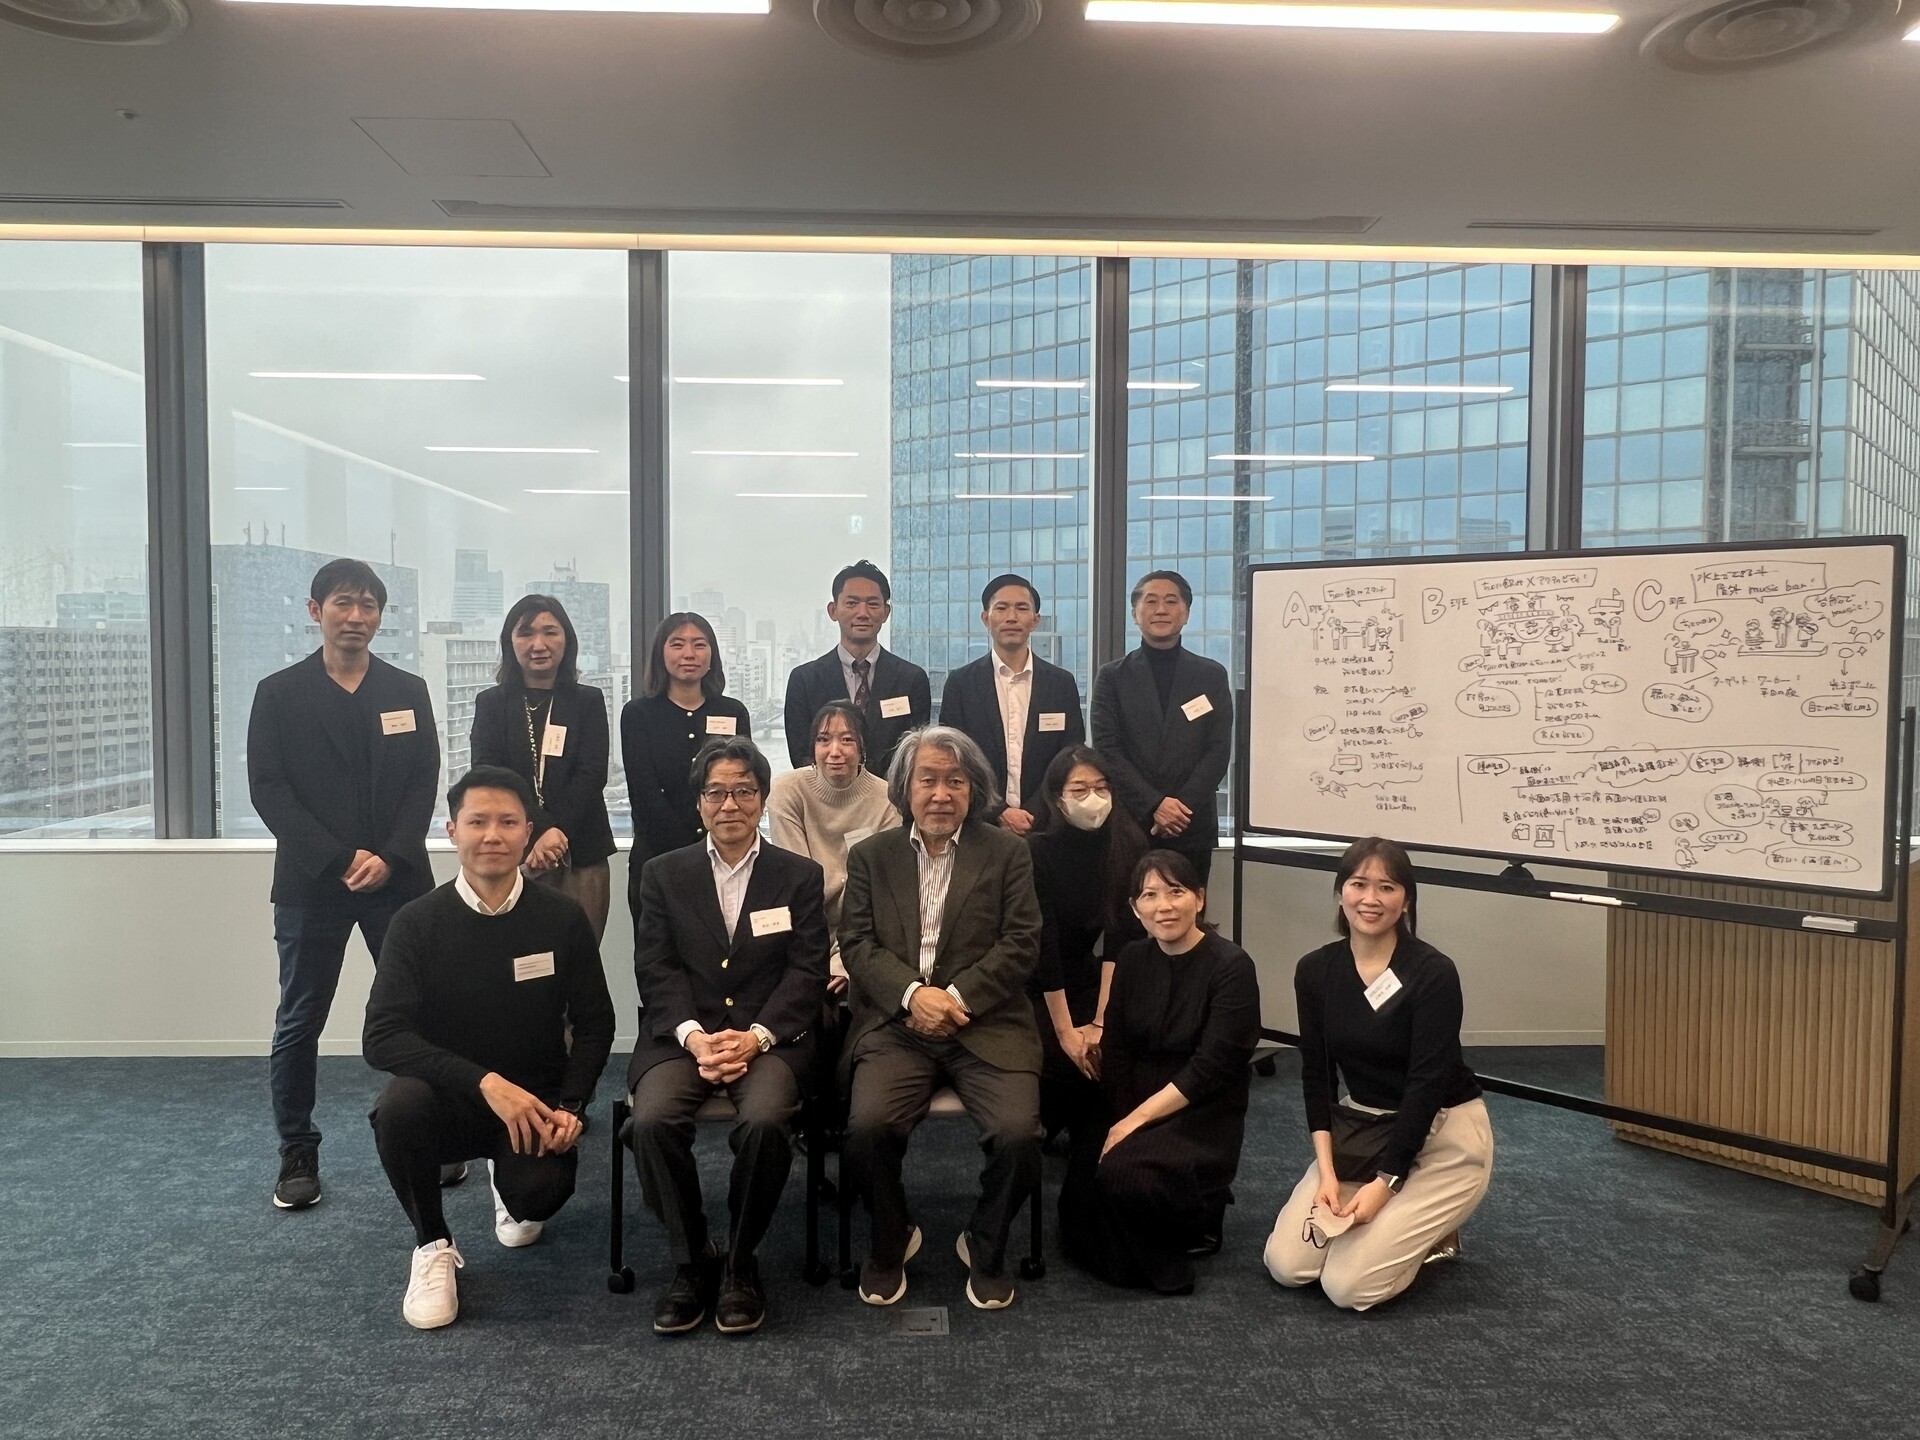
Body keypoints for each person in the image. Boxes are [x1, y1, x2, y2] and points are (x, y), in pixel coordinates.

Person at [362, 765, 615, 1330]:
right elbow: (381, 1036)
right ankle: (432, 1244)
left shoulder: (561, 918)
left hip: (533, 1104)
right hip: (447, 1099)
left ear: (529, 832)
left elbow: (596, 1021)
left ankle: (509, 1183)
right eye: (478, 822)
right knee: (398, 1108)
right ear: (452, 831)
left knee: (536, 1200)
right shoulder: (416, 923)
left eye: (508, 822)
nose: (493, 835)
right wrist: (485, 1083)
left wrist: (572, 1105)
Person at [248, 557, 441, 1212]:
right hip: (313, 882)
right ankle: (297, 1149)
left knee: (423, 1011)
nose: (356, 617)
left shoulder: (406, 689)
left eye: (368, 606)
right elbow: (269, 789)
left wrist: (390, 856)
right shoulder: (279, 693)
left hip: (398, 878)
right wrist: (337, 858)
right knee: (300, 1017)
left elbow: (423, 781)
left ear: (380, 616)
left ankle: (436, 1132)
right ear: (315, 611)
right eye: (343, 604)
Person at [628, 736, 830, 1336]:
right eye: (716, 792)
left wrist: (757, 1036)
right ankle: (694, 1258)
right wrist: (694, 1038)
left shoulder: (798, 875)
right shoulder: (664, 874)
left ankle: (741, 1262)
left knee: (766, 1121)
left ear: (762, 799)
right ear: (699, 803)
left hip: (770, 1037)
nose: (730, 804)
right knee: (650, 1122)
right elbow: (656, 967)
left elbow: (807, 970)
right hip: (682, 1036)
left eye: (744, 790)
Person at [840, 726, 1043, 1312]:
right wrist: (912, 996)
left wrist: (954, 999)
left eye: (955, 781)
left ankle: (985, 1242)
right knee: (866, 1128)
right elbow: (857, 944)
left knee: (1019, 1135)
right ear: (904, 788)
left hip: (988, 1021)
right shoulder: (871, 856)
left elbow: (1022, 942)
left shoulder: (1007, 852)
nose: (940, 793)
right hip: (896, 1025)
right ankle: (890, 1237)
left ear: (974, 789)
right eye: (927, 779)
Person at [1263, 837, 1494, 1312]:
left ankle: (1435, 1231)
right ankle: (1394, 1225)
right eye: (1358, 884)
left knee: (1347, 1286)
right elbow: (1316, 1075)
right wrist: (1327, 1172)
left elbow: (1426, 1085)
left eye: (1387, 887)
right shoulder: (1316, 970)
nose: (1371, 899)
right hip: (1364, 1128)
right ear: (1340, 892)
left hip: (1441, 1132)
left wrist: (1385, 1183)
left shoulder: (1433, 972)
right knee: (1288, 1266)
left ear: (1406, 900)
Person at [1059, 849, 1259, 1295]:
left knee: (1123, 1176)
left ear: (1199, 899)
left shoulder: (1231, 966)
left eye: (1176, 891)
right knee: (1080, 1187)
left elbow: (1209, 1069)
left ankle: (1184, 1233)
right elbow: (1118, 1047)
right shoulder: (1132, 958)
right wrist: (1120, 1113)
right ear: (1135, 908)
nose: (1163, 906)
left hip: (1200, 1107)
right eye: (1149, 895)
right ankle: (1168, 1224)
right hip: (1136, 1095)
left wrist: (1135, 1122)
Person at [470, 594, 615, 942]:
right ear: (510, 642)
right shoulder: (491, 703)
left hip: (581, 851)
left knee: (579, 956)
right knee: (515, 957)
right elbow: (489, 775)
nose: (539, 644)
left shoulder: (588, 700)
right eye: (526, 633)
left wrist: (557, 833)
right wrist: (539, 831)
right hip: (512, 851)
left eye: (550, 632)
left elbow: (592, 773)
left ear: (567, 640)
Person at [1025, 745, 1147, 1146]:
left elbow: (1121, 938)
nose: (1093, 798)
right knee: (1061, 1059)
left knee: (1111, 1051)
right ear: (1056, 796)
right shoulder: (1035, 849)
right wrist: (1066, 1032)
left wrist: (1100, 1021)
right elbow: (1044, 946)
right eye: (1079, 789)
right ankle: (1048, 1129)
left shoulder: (1127, 843)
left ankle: (1090, 1155)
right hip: (1037, 982)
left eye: (1101, 787)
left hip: (1090, 975)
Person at [1090, 569, 1234, 887]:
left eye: (1171, 601)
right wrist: (1154, 805)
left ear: (1186, 613)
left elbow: (1218, 749)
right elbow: (1107, 749)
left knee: (1189, 909)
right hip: (1132, 823)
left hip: (1191, 823)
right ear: (1135, 613)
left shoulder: (1211, 675)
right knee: (1128, 910)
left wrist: (1180, 808)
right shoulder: (1112, 677)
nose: (1161, 609)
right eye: (1151, 601)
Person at [622, 612, 752, 935]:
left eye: (699, 644)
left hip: (725, 859)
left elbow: (744, 785)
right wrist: (692, 852)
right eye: (677, 644)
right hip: (658, 858)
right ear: (661, 653)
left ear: (712, 654)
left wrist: (717, 844)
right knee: (659, 952)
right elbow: (644, 794)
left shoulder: (733, 712)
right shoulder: (638, 714)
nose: (689, 654)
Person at [766, 700, 903, 993]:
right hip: (800, 929)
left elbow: (878, 895)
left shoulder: (888, 800)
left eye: (847, 740)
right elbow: (797, 887)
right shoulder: (786, 792)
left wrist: (845, 959)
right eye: (823, 739)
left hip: (863, 934)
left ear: (863, 747)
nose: (835, 751)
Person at [936, 573, 1085, 836]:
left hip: (1046, 825)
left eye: (1022, 608)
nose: (1012, 617)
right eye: (1002, 608)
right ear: (986, 618)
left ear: (1036, 620)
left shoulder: (1061, 684)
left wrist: (1036, 810)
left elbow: (1070, 754)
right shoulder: (961, 684)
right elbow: (955, 758)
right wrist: (999, 811)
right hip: (979, 824)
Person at [783, 560, 931, 779]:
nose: (863, 613)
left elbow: (915, 751)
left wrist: (878, 791)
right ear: (833, 610)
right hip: (826, 797)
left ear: (886, 612)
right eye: (852, 603)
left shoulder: (911, 679)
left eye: (873, 604)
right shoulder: (804, 680)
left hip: (891, 797)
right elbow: (801, 755)